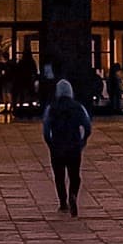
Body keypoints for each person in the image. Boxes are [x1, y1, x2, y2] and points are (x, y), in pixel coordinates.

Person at [42, 79, 92, 216]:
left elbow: (46, 129)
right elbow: (87, 126)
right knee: (74, 175)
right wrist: (83, 141)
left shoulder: (51, 108)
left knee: (59, 176)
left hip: (57, 146)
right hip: (74, 146)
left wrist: (50, 143)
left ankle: (63, 201)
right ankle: (73, 195)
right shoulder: (78, 107)